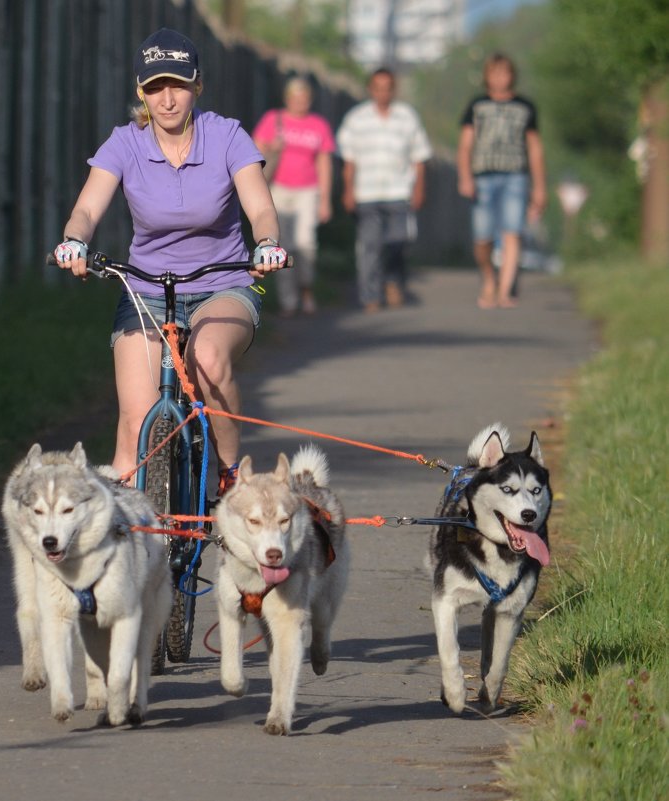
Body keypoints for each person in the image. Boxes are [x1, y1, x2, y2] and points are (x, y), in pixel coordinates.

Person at [53, 28, 287, 492]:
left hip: (223, 285)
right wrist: (74, 241)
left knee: (207, 358)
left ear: (197, 85)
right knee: (137, 419)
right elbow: (85, 209)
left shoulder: (227, 136)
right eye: (155, 87)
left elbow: (260, 208)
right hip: (146, 293)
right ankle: (135, 534)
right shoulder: (124, 143)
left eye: (178, 85)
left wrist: (266, 243)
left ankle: (227, 475)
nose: (167, 99)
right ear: (141, 91)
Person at [336, 68, 432, 313]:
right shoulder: (356, 119)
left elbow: (419, 157)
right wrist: (348, 190)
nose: (382, 92)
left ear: (394, 89)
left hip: (399, 192)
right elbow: (349, 160)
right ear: (370, 89)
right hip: (366, 193)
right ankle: (371, 295)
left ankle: (393, 281)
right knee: (370, 246)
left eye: (387, 87)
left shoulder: (407, 117)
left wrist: (420, 188)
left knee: (398, 242)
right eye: (377, 87)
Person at [457, 52, 547, 309]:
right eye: (494, 73)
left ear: (512, 75)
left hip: (515, 176)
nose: (500, 78)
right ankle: (489, 278)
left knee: (512, 232)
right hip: (482, 176)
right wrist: (465, 177)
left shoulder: (525, 107)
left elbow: (535, 149)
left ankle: (505, 290)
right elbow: (465, 145)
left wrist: (540, 187)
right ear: (487, 76)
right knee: (482, 236)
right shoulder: (476, 106)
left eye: (505, 72)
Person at [252, 76, 335, 316]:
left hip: (308, 190)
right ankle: (289, 301)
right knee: (282, 246)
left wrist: (325, 199)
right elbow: (252, 151)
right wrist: (270, 147)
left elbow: (324, 163)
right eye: (295, 97)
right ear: (287, 98)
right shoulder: (273, 120)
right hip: (278, 189)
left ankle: (307, 289)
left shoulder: (318, 125)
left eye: (304, 97)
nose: (300, 101)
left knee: (306, 242)